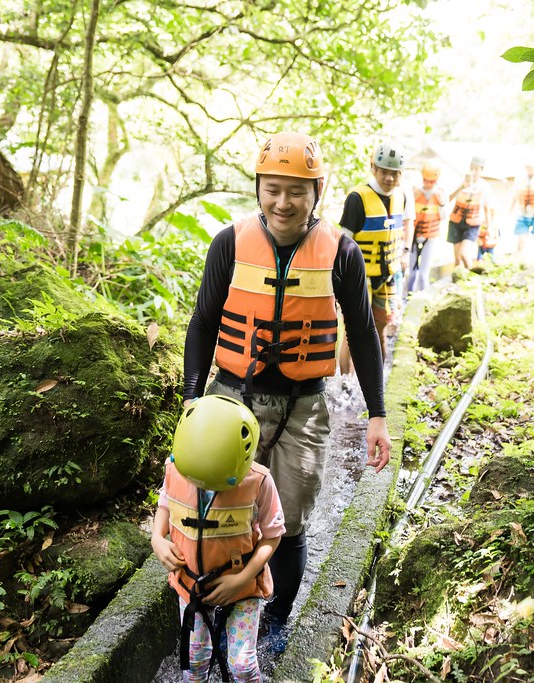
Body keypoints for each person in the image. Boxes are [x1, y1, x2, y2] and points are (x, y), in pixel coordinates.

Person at [182, 131, 392, 648]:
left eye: (296, 190)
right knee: (214, 510)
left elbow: (363, 333)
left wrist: (377, 415)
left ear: (316, 191)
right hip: (229, 397)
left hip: (304, 405)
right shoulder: (229, 242)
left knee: (290, 521)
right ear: (259, 187)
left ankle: (273, 628)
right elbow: (204, 322)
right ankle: (215, 615)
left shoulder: (340, 251)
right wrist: (191, 400)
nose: (283, 202)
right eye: (273, 188)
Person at [152, 395, 285, 682]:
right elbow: (166, 502)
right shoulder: (177, 467)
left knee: (242, 666)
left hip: (242, 584)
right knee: (195, 663)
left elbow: (273, 536)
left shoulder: (259, 481)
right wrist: (156, 539)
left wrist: (242, 578)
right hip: (193, 587)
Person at [337, 141, 415, 365]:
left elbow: (407, 226)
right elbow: (344, 243)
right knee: (353, 336)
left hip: (388, 276)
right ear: (374, 169)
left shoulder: (402, 197)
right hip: (360, 279)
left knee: (381, 332)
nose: (389, 178)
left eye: (394, 173)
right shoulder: (357, 199)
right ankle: (345, 386)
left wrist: (405, 253)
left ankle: (377, 382)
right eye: (384, 172)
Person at [447, 155, 493, 271]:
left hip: (472, 224)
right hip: (456, 222)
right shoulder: (460, 181)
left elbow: (487, 208)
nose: (474, 171)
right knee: (457, 260)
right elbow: (447, 199)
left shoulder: (484, 186)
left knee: (463, 253)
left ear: (481, 170)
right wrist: (461, 187)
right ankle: (458, 285)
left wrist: (489, 227)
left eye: (477, 169)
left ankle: (474, 275)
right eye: (472, 168)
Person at [406, 161, 446, 293]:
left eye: (431, 181)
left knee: (423, 275)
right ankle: (407, 298)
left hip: (430, 237)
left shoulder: (439, 194)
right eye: (425, 180)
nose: (428, 184)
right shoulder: (414, 192)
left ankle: (423, 300)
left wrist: (441, 202)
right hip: (414, 237)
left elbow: (443, 216)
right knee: (412, 273)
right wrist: (412, 198)